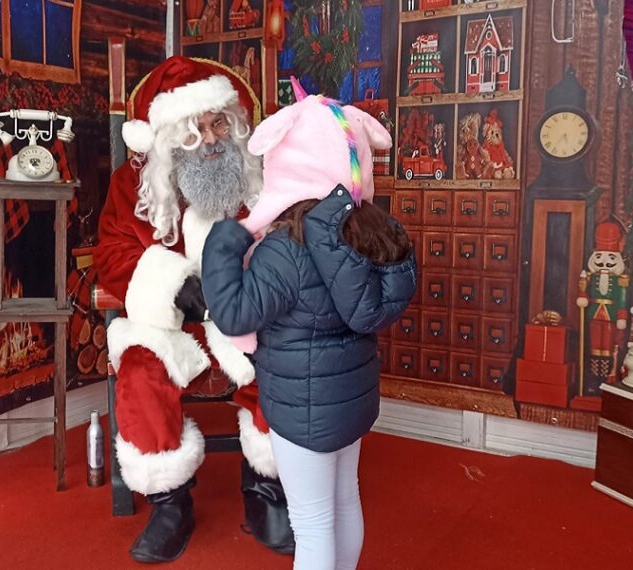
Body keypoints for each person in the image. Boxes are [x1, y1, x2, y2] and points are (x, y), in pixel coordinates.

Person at [201, 88, 419, 569]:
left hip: (302, 410)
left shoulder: (284, 249)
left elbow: (235, 314)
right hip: (351, 399)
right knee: (345, 502)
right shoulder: (369, 231)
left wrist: (224, 240)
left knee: (313, 522)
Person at [93, 56, 294, 564]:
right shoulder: (130, 185)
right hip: (171, 327)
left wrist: (248, 288)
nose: (209, 139)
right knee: (139, 371)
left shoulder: (259, 177)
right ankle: (169, 503)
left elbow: (288, 241)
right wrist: (169, 282)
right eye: (193, 129)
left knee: (284, 359)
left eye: (218, 123)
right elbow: (112, 256)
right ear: (166, 136)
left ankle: (265, 486)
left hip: (245, 318)